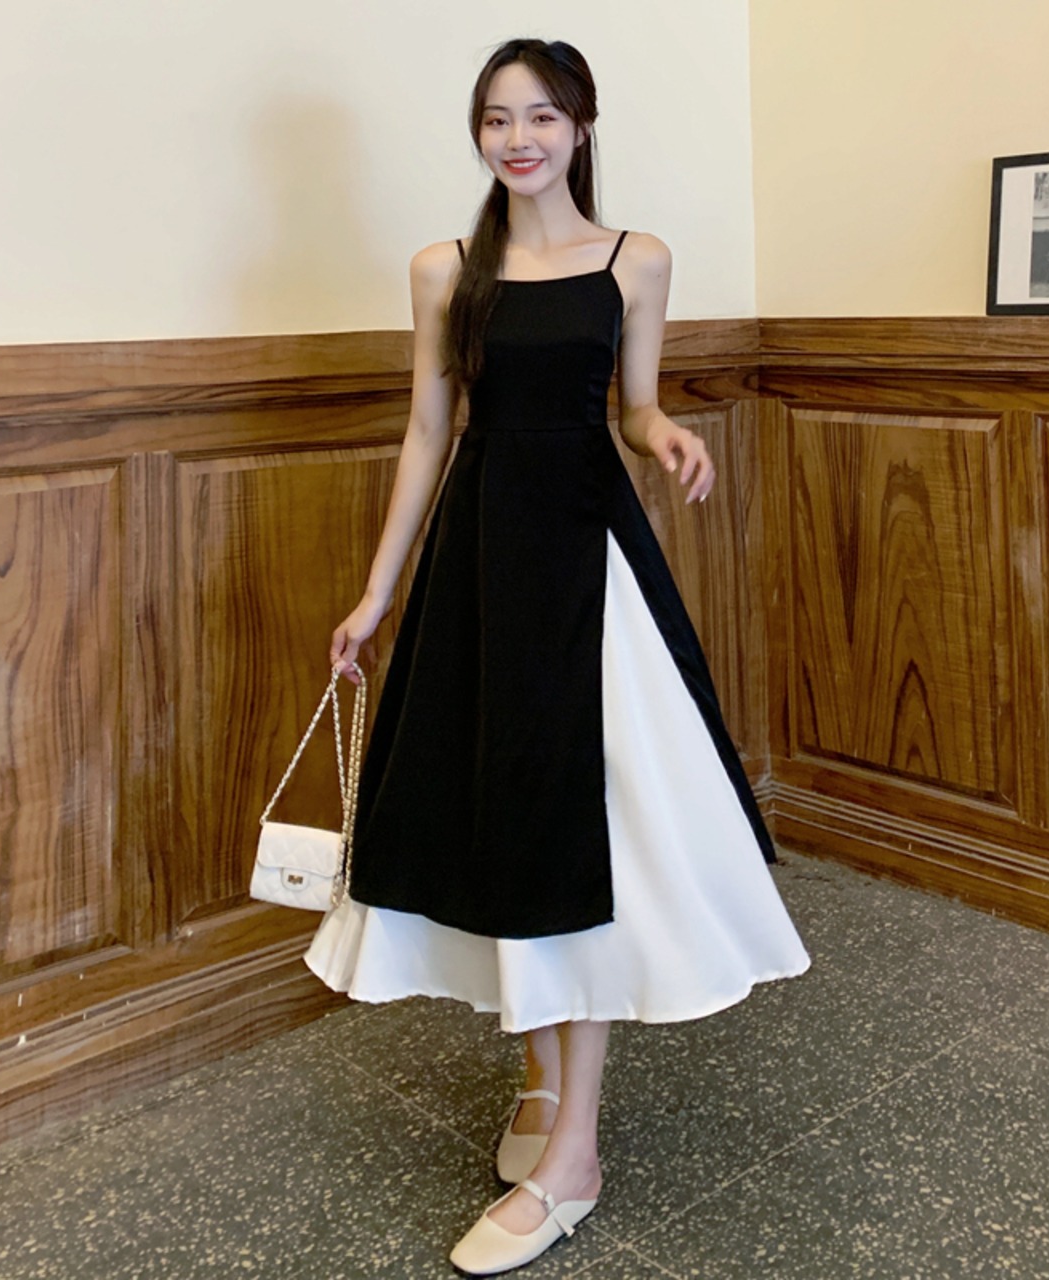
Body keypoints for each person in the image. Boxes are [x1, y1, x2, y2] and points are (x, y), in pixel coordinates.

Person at [305, 36, 810, 1275]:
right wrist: (377, 590)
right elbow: (428, 429)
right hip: (480, 565)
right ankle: (540, 1085)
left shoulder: (636, 258)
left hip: (591, 565)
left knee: (577, 836)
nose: (517, 138)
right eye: (496, 118)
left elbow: (632, 405)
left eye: (540, 115)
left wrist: (664, 432)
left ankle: (571, 1156)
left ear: (580, 126)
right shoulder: (444, 270)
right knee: (496, 823)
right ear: (477, 133)